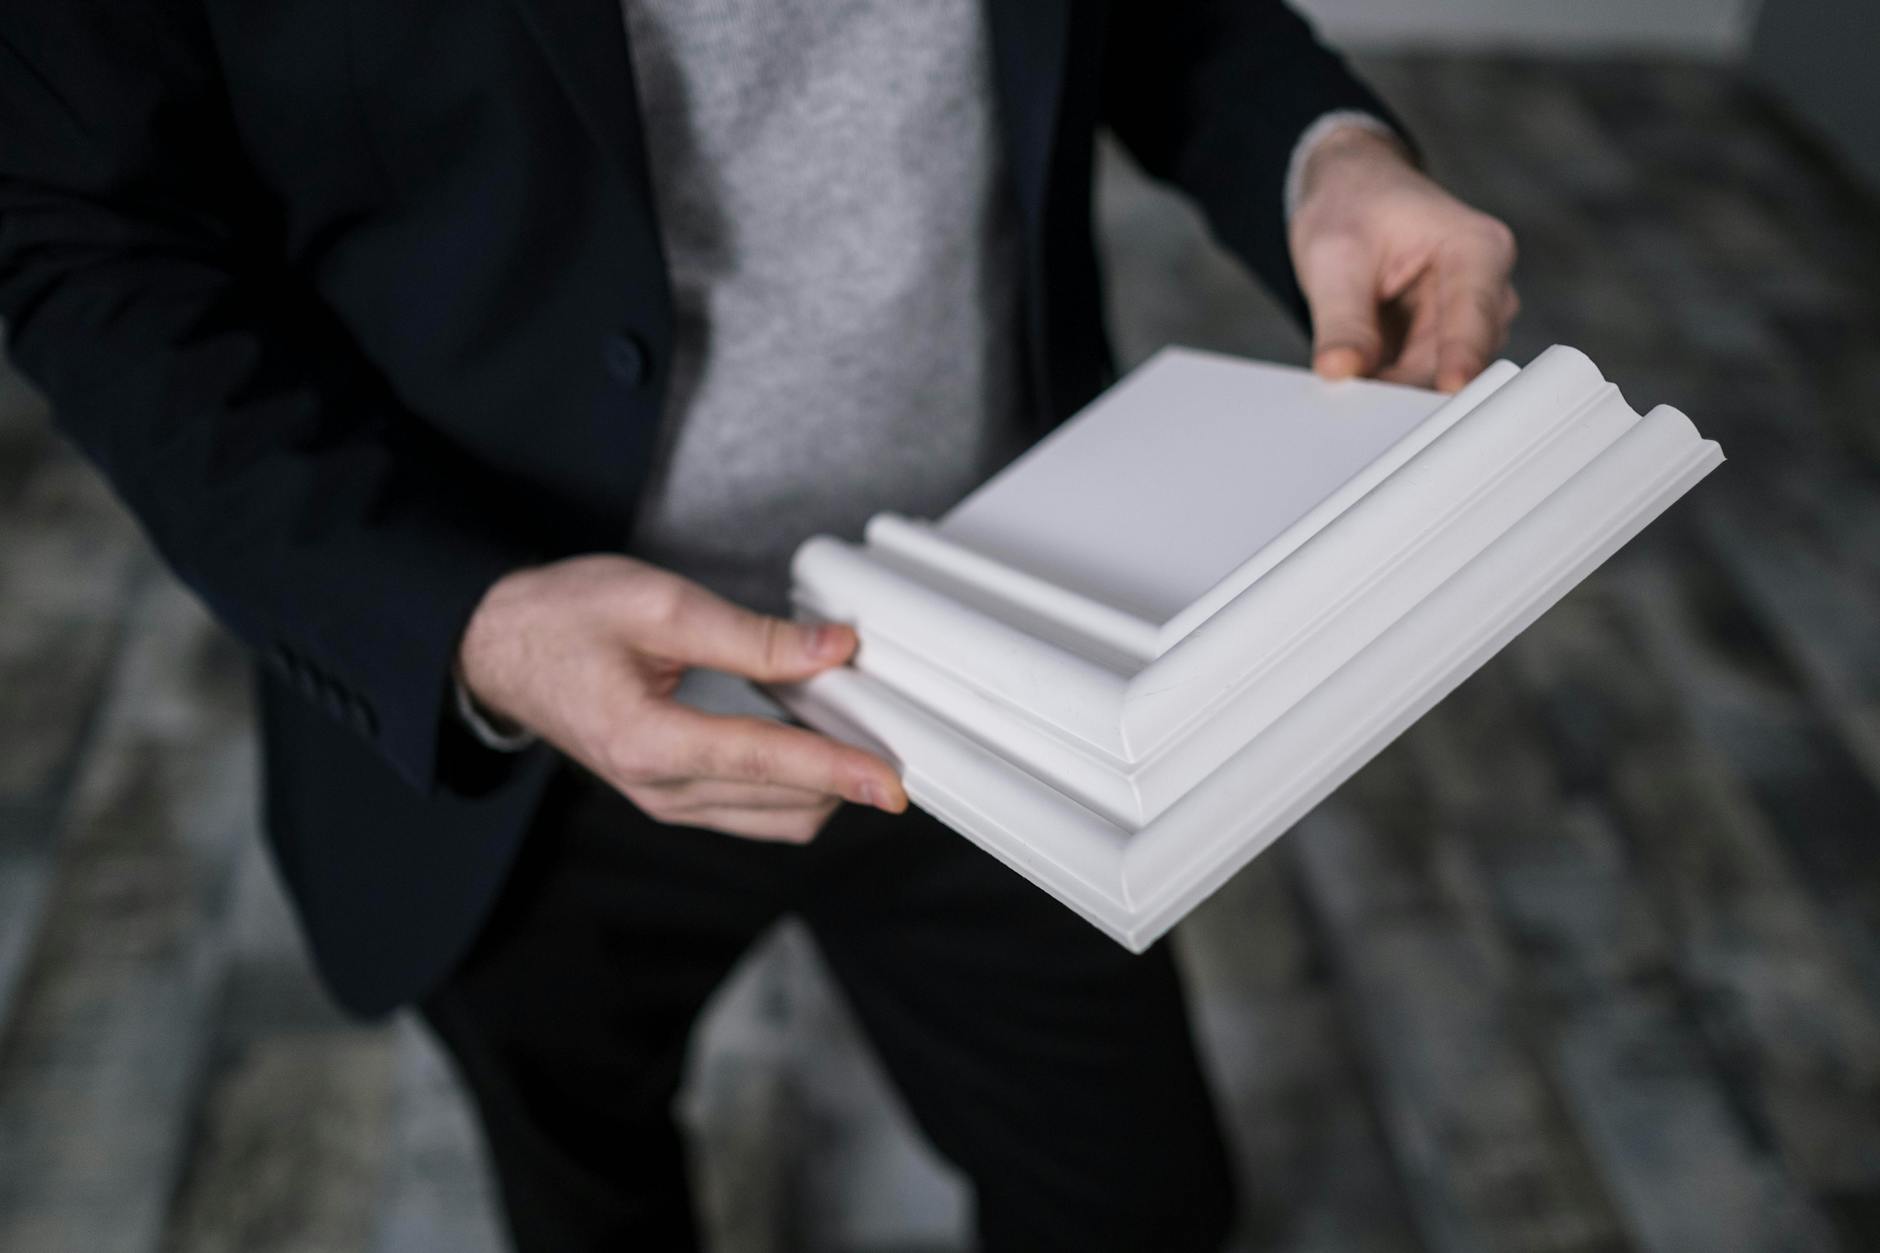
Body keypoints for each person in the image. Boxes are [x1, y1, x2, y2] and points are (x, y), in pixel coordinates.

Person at [0, 2, 1518, 1249]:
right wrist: (460, 625)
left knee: (1135, 1201)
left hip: (1008, 642)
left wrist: (1326, 150)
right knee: (583, 1186)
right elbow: (87, 230)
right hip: (528, 712)